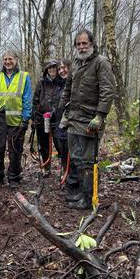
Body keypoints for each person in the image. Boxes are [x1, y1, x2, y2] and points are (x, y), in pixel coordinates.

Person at [59, 30, 115, 209]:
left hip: (90, 120)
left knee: (88, 160)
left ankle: (88, 197)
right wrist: (62, 110)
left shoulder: (101, 63)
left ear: (92, 44)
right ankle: (81, 194)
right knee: (76, 158)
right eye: (78, 44)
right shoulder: (75, 63)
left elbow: (108, 90)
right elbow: (68, 88)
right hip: (73, 118)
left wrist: (100, 116)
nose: (82, 47)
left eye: (85, 43)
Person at [0, 50, 33, 189]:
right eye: (5, 59)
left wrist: (25, 119)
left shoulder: (24, 77)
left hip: (16, 118)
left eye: (10, 59)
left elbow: (27, 99)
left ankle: (14, 177)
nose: (7, 62)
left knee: (15, 149)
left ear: (16, 60)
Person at [52, 58, 79, 197]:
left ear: (70, 67)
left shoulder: (75, 83)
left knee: (73, 157)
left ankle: (74, 187)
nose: (62, 70)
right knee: (63, 156)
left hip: (72, 126)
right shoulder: (57, 86)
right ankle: (67, 182)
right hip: (59, 128)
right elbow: (57, 106)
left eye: (64, 67)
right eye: (60, 68)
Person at [32, 59, 64, 175]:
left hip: (58, 119)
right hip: (42, 118)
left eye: (54, 68)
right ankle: (46, 168)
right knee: (43, 145)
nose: (52, 70)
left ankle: (64, 169)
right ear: (46, 70)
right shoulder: (41, 83)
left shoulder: (62, 82)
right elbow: (35, 100)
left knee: (60, 144)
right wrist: (34, 116)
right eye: (49, 68)